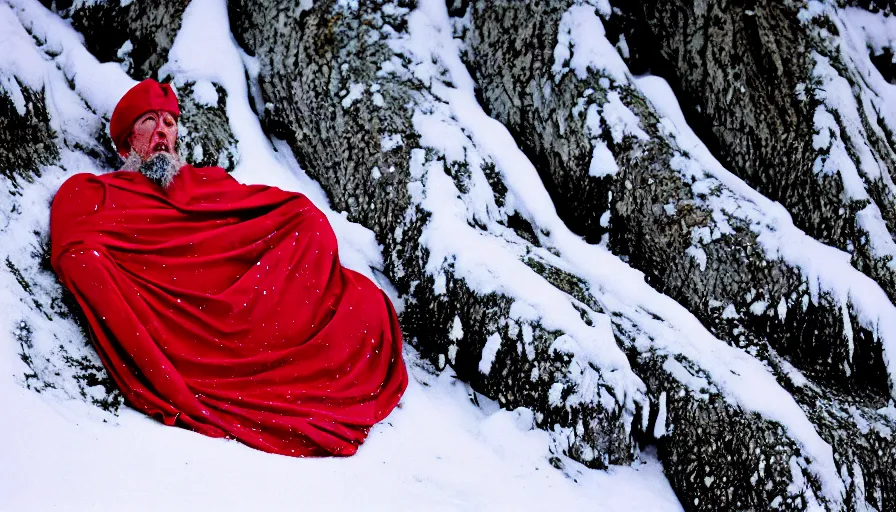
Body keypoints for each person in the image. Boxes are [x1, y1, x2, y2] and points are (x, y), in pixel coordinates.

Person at [50, 79, 408, 457]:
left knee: (361, 298)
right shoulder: (97, 193)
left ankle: (294, 342)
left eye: (169, 124)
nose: (161, 132)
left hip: (259, 303)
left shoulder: (207, 181)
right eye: (148, 121)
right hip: (191, 328)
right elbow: (76, 252)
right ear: (126, 140)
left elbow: (262, 219)